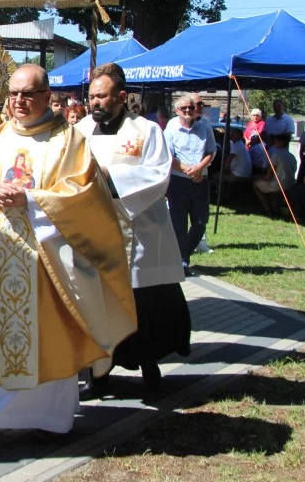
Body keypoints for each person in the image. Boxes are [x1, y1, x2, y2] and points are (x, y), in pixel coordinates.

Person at [0, 64, 136, 454]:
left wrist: (30, 199)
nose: (19, 101)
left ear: (47, 97)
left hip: (49, 264)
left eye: (28, 94)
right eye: (13, 94)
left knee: (51, 340)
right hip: (0, 258)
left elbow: (84, 196)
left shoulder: (68, 141)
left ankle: (51, 421)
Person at [75, 63, 190, 396]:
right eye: (91, 96)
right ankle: (98, 374)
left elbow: (157, 176)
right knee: (98, 307)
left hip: (138, 230)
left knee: (141, 307)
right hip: (94, 234)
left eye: (102, 96)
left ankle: (148, 365)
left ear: (121, 96)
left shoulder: (147, 131)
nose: (94, 103)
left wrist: (109, 176)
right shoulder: (80, 131)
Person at [164, 93, 216, 274]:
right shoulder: (171, 127)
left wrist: (199, 169)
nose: (188, 111)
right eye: (183, 108)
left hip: (200, 180)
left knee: (201, 221)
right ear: (177, 110)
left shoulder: (204, 126)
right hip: (179, 181)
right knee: (179, 223)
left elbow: (211, 151)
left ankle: (184, 253)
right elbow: (168, 157)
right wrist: (190, 170)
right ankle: (182, 260)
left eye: (191, 107)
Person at [252, 132, 297, 213]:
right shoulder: (292, 156)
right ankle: (274, 206)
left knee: (256, 184)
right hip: (290, 184)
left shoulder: (276, 154)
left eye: (276, 141)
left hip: (279, 185)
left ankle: (267, 208)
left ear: (281, 143)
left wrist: (260, 178)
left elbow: (269, 176)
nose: (274, 143)